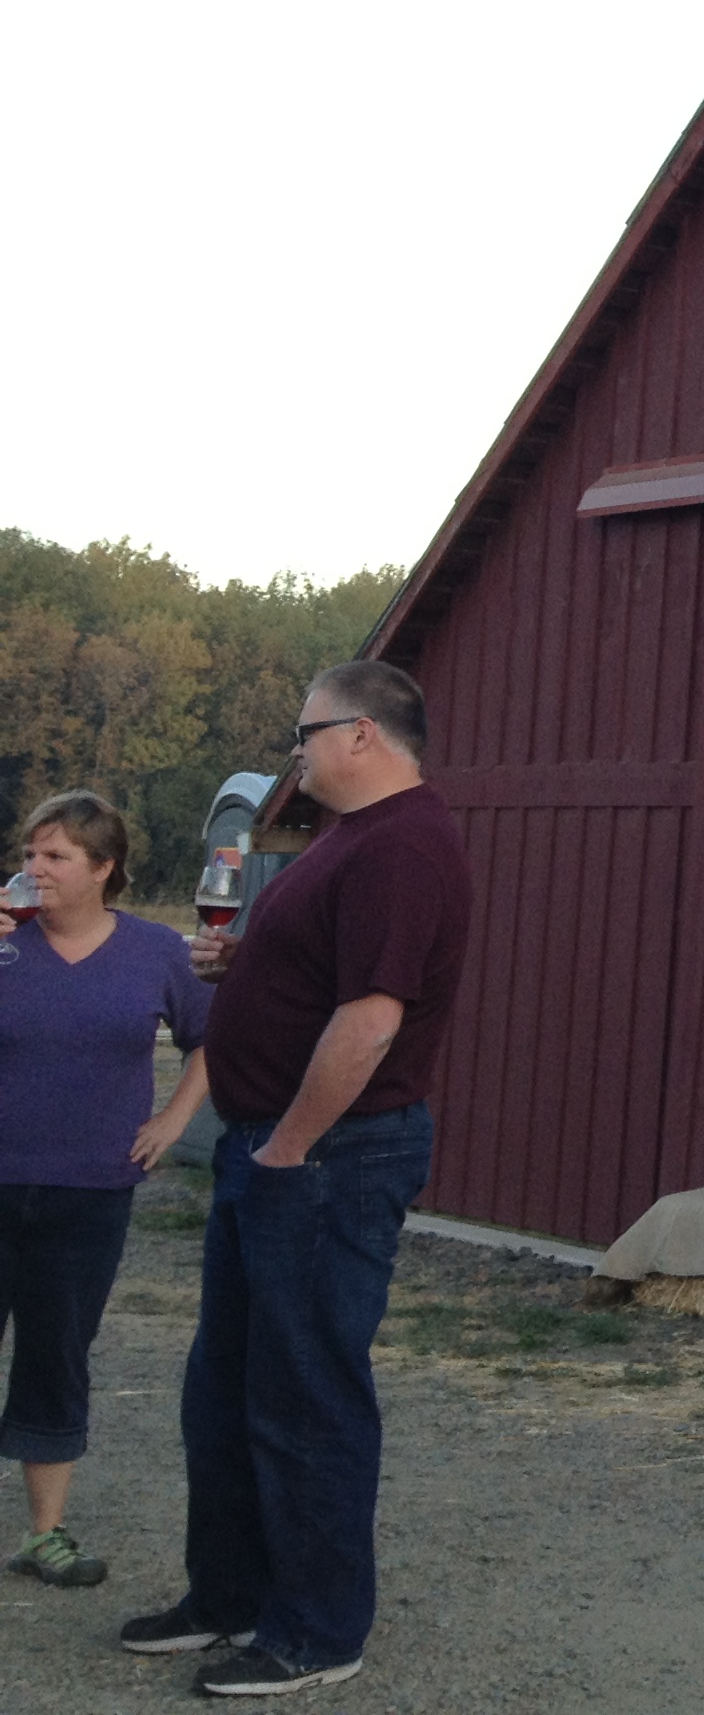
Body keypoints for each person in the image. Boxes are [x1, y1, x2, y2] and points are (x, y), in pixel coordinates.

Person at [119, 660, 472, 1699]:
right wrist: (246, 970)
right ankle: (229, 1596)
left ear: (363, 734)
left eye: (306, 732)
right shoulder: (347, 841)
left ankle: (318, 1631)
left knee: (308, 1395)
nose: (296, 751)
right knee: (224, 1387)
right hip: (271, 1148)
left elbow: (372, 1020)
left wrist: (288, 1147)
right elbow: (324, 974)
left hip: (329, 1157)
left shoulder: (404, 845)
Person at [0, 791, 213, 1593]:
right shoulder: (5, 943)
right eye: (28, 853)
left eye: (54, 857)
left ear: (103, 869)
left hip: (89, 1190)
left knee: (57, 1356)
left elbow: (211, 1039)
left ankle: (44, 1536)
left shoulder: (154, 950)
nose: (33, 870)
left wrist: (172, 1122)